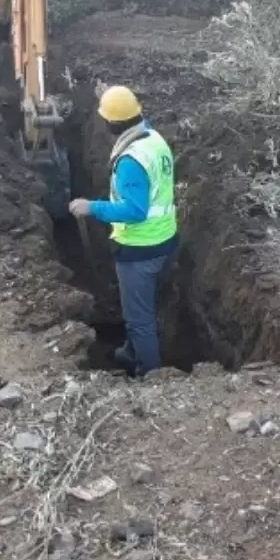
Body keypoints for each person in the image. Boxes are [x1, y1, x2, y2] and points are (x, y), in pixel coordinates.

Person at [69, 86, 179, 377]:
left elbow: (135, 210)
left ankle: (150, 373)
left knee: (139, 319)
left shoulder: (131, 161)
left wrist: (92, 207)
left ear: (110, 124)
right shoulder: (153, 139)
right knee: (143, 307)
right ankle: (131, 352)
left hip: (140, 250)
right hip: (165, 240)